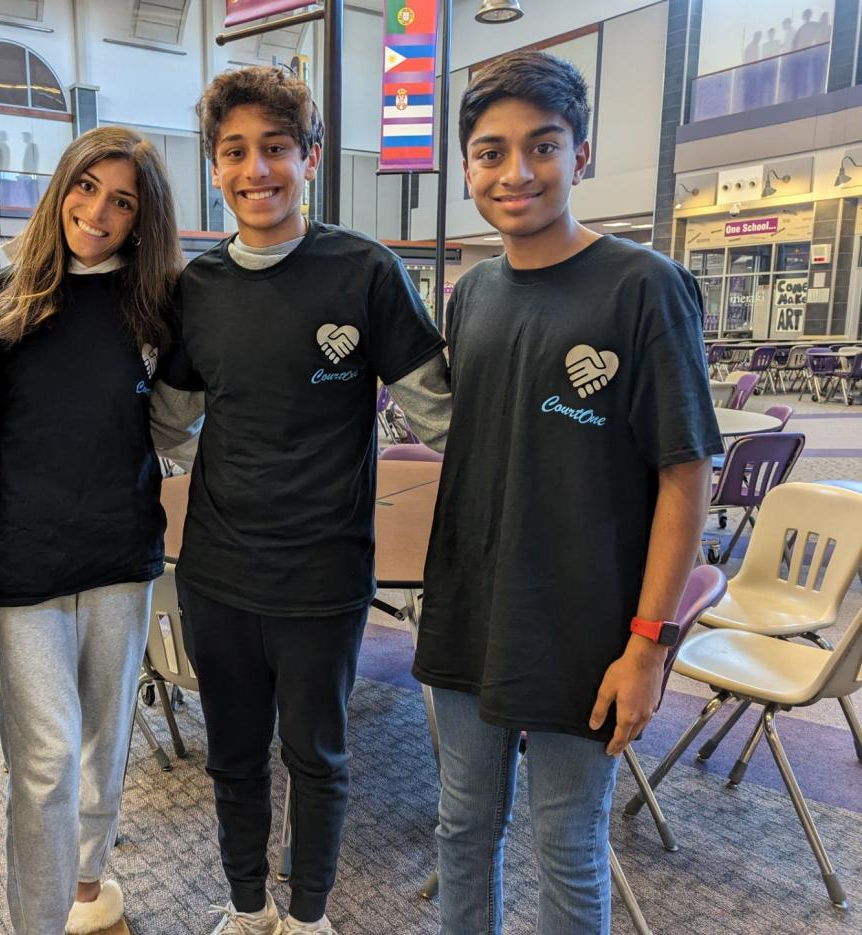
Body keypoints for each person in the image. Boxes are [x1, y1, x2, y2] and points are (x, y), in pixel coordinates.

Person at [412, 51, 721, 935]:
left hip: (586, 628)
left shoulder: (645, 287)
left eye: (541, 146)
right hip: (471, 612)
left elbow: (686, 474)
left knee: (568, 841)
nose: (516, 173)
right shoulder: (471, 293)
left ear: (580, 153)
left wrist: (649, 645)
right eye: (490, 151)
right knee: (461, 828)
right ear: (466, 165)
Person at [159, 66, 449, 935]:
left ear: (310, 157)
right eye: (236, 152)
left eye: (276, 149)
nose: (257, 170)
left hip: (322, 577)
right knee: (234, 759)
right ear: (215, 167)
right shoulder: (195, 293)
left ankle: (312, 917)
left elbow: (443, 415)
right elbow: (167, 427)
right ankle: (248, 909)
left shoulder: (365, 272)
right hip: (215, 575)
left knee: (317, 758)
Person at [0, 125, 183, 935]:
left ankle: (87, 882)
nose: (97, 211)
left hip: (121, 554)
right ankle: (39, 919)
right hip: (24, 561)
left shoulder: (155, 307)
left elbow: (186, 416)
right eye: (86, 187)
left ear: (141, 218)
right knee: (46, 762)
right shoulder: (4, 297)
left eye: (121, 200)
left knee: (105, 742)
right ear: (62, 187)